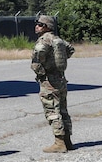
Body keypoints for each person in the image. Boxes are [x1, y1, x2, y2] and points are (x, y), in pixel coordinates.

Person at [32, 14, 75, 152]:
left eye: (38, 24)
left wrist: (40, 67)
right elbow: (70, 49)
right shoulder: (58, 39)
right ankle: (67, 141)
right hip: (60, 78)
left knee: (52, 110)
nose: (36, 26)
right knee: (63, 110)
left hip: (49, 80)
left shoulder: (43, 41)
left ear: (45, 27)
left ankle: (59, 143)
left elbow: (39, 53)